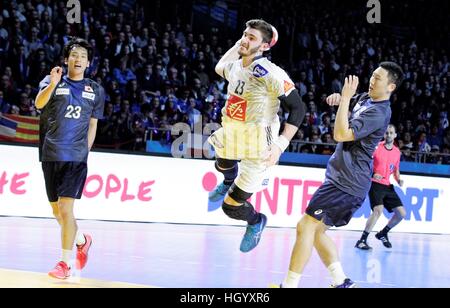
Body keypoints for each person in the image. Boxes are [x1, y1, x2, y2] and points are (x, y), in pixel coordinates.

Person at [276, 62, 404, 288]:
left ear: (391, 87)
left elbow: (341, 134)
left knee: (305, 226)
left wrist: (345, 99)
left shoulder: (379, 112)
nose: (372, 80)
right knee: (317, 231)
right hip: (343, 179)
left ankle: (289, 285)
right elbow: (352, 105)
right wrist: (340, 98)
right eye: (373, 75)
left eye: (378, 79)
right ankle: (341, 281)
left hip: (347, 182)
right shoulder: (366, 98)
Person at [208, 19, 306, 252]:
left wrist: (280, 145)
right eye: (244, 34)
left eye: (252, 38)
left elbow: (298, 108)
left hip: (260, 143)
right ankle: (228, 181)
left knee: (231, 207)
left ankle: (256, 221)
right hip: (232, 132)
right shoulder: (235, 67)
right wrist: (241, 44)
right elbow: (219, 66)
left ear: (264, 46)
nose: (244, 39)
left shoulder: (270, 73)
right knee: (221, 165)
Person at [35, 37, 105, 279]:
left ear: (88, 64)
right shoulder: (51, 80)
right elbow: (38, 103)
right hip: (50, 153)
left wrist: (85, 150)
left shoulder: (95, 90)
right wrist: (53, 83)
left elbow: (93, 124)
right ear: (66, 60)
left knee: (66, 208)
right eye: (74, 55)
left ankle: (64, 264)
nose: (78, 59)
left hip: (75, 156)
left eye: (83, 57)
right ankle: (82, 240)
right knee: (58, 213)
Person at [355, 124, 406, 250]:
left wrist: (398, 179)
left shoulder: (397, 152)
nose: (388, 135)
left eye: (391, 133)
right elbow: (364, 162)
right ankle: (362, 240)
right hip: (374, 184)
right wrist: (373, 173)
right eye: (386, 133)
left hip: (387, 186)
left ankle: (383, 233)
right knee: (378, 210)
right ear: (384, 134)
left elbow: (395, 169)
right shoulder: (376, 147)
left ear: (395, 135)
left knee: (401, 214)